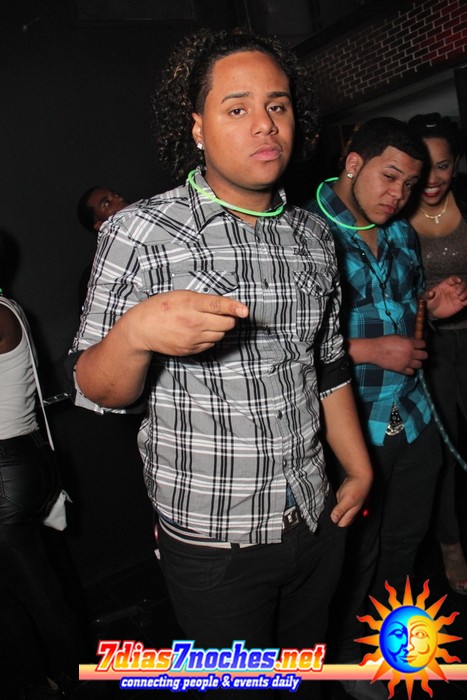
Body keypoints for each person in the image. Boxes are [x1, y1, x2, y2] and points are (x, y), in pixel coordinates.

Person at [68, 28, 374, 699]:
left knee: (304, 675)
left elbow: (325, 365)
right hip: (215, 541)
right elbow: (93, 388)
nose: (264, 124)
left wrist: (357, 467)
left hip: (313, 514)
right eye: (237, 108)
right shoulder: (140, 231)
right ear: (198, 128)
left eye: (277, 105)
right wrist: (136, 334)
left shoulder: (314, 236)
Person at [305, 117, 467, 700]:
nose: (399, 194)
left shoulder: (399, 232)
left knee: (405, 542)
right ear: (354, 164)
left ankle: (386, 649)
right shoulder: (305, 233)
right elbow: (283, 342)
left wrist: (430, 308)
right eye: (390, 176)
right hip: (353, 426)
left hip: (413, 417)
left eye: (410, 183)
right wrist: (369, 349)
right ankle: (350, 660)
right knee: (357, 551)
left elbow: (402, 310)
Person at [0, 287, 85, 698]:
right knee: (28, 590)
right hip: (20, 458)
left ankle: (73, 682)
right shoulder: (8, 307)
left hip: (7, 465)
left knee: (33, 594)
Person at [407, 112, 467, 595]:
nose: (433, 179)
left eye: (443, 166)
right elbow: (387, 297)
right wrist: (427, 304)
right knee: (444, 454)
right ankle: (451, 545)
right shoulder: (392, 215)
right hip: (433, 348)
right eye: (423, 167)